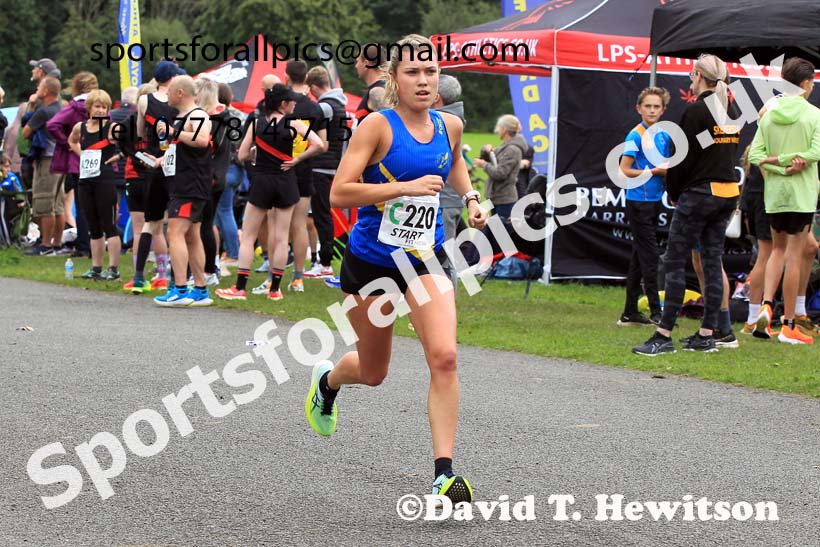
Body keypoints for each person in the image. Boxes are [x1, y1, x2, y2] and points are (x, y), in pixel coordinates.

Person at [303, 34, 488, 505]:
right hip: (372, 265)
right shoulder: (376, 127)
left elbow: (455, 168)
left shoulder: (450, 125)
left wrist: (469, 199)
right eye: (413, 73)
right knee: (373, 371)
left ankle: (443, 475)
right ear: (395, 78)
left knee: (445, 357)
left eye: (430, 72)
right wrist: (400, 189)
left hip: (425, 258)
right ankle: (327, 383)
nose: (424, 81)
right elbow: (339, 193)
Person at [633, 53, 741, 355]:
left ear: (697, 76)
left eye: (692, 76)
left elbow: (680, 159)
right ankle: (707, 333)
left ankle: (663, 334)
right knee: (711, 261)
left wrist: (674, 191)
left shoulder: (695, 111)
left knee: (675, 262)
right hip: (728, 192)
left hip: (700, 194)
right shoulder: (730, 109)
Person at [215, 84, 324, 301]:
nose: (295, 103)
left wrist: (257, 151)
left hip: (263, 180)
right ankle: (275, 289)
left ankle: (240, 287)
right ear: (283, 104)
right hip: (286, 181)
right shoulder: (295, 124)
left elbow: (243, 155)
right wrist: (297, 159)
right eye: (291, 100)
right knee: (282, 238)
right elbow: (319, 144)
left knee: (248, 237)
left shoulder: (257, 123)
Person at [749, 57, 820, 345]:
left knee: (776, 251)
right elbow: (815, 152)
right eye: (812, 81)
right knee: (794, 254)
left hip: (775, 194)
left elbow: (755, 155)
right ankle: (789, 323)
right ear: (805, 84)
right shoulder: (814, 114)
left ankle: (766, 307)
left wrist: (777, 165)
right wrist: (792, 163)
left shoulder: (768, 113)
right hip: (801, 194)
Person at [149, 75, 213, 307]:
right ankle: (200, 289)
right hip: (183, 182)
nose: (165, 95)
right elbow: (185, 149)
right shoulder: (181, 118)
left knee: (174, 232)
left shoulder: (197, 115)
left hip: (190, 186)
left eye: (169, 91)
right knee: (191, 236)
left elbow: (203, 140)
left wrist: (173, 132)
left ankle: (179, 288)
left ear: (180, 94)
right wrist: (162, 159)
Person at [617, 87, 671, 327]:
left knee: (639, 258)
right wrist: (653, 171)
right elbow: (624, 169)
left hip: (654, 201)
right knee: (650, 256)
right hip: (638, 202)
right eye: (647, 106)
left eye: (656, 106)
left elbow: (665, 164)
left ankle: (629, 312)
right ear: (639, 108)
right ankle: (656, 312)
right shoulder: (635, 135)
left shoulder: (663, 134)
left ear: (663, 110)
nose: (651, 110)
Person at [130, 61, 184, 294]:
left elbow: (140, 132)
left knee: (149, 224)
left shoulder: (144, 100)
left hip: (152, 164)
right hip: (176, 164)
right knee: (176, 225)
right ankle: (175, 278)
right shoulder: (181, 101)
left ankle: (139, 277)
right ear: (172, 80)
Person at [68, 89, 122, 280]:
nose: (100, 110)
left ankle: (113, 269)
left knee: (109, 224)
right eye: (97, 106)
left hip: (105, 179)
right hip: (86, 180)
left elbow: (130, 144)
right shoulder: (80, 127)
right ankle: (96, 267)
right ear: (89, 107)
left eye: (104, 107)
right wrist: (82, 154)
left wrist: (118, 156)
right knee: (93, 224)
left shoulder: (112, 127)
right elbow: (71, 141)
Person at [284, 60, 328, 293]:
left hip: (281, 168)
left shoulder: (282, 101)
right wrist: (303, 155)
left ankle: (273, 281)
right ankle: (298, 277)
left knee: (279, 226)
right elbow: (324, 144)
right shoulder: (315, 107)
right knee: (300, 225)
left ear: (286, 76)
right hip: (304, 171)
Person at [47, 71, 99, 258]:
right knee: (99, 204)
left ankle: (83, 246)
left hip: (78, 160)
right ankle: (99, 243)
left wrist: (67, 142)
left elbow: (52, 124)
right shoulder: (101, 105)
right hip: (100, 158)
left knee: (82, 205)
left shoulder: (74, 107)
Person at [305, 65, 349, 279]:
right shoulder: (338, 103)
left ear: (313, 86)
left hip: (321, 165)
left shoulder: (325, 107)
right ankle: (325, 260)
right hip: (331, 164)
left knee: (321, 214)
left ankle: (325, 262)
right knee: (323, 214)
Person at [23, 76, 65, 256]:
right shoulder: (61, 108)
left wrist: (31, 105)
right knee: (58, 203)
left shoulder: (44, 112)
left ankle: (46, 244)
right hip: (61, 159)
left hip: (47, 161)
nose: (37, 89)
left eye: (39, 87)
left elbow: (25, 132)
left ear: (46, 91)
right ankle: (57, 243)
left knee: (44, 202)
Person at [432, 73, 467, 290]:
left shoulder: (444, 122)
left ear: (436, 97)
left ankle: (445, 308)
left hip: (445, 198)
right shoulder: (449, 118)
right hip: (446, 198)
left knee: (443, 257)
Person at [195, 77, 231, 285]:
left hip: (208, 178)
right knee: (207, 225)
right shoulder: (224, 118)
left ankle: (207, 270)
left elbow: (207, 147)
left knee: (201, 226)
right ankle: (210, 268)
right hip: (218, 176)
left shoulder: (211, 120)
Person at [473, 115, 528, 222]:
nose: (497, 130)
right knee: (492, 232)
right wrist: (485, 150)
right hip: (496, 198)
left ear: (504, 129)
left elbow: (500, 173)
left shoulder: (512, 150)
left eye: (499, 127)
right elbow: (490, 158)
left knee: (501, 236)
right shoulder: (506, 147)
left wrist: (483, 164)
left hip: (504, 200)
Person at [215, 82, 243, 273]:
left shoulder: (217, 116)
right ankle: (226, 252)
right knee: (222, 211)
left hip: (224, 167)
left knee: (224, 211)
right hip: (238, 169)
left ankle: (233, 253)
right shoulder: (240, 116)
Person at [354, 44, 387, 124]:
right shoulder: (379, 88)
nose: (356, 66)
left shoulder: (378, 91)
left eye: (357, 61)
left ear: (366, 63)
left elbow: (392, 124)